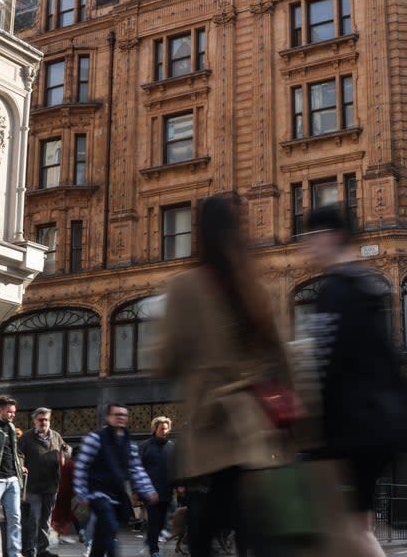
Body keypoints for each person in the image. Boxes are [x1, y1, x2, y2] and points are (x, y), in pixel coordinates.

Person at [156, 193, 293, 557]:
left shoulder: (186, 286)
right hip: (252, 422)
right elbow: (282, 354)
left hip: (214, 418)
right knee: (244, 514)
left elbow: (165, 359)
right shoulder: (256, 287)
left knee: (210, 520)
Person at [304, 204, 407, 557]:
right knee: (357, 525)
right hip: (378, 423)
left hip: (352, 428)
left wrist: (317, 434)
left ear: (330, 237)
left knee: (345, 527)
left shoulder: (335, 292)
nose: (307, 246)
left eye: (312, 237)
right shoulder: (366, 285)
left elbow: (328, 365)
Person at [73, 404, 158, 557]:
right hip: (97, 493)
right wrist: (81, 493)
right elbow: (81, 466)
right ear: (108, 417)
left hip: (116, 494)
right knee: (110, 527)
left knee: (101, 535)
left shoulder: (129, 444)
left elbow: (136, 469)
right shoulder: (94, 439)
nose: (121, 417)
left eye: (124, 415)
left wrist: (148, 490)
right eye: (117, 414)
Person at [18, 407, 70, 557]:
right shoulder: (26, 438)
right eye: (40, 420)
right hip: (32, 487)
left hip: (51, 485)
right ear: (35, 420)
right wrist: (21, 465)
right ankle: (28, 550)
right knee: (32, 519)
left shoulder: (56, 436)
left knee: (45, 520)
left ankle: (43, 550)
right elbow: (19, 454)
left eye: (46, 419)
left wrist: (64, 455)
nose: (43, 422)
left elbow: (66, 450)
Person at [0, 397, 26, 557]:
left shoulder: (12, 428)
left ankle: (15, 552)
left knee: (15, 517)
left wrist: (19, 467)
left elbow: (13, 452)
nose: (12, 415)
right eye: (9, 411)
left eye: (14, 412)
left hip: (13, 479)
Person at [138, 417, 177, 557]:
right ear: (155, 429)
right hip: (150, 491)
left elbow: (175, 468)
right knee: (154, 521)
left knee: (162, 522)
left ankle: (150, 540)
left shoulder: (171, 446)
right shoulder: (145, 446)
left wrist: (178, 486)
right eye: (162, 428)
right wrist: (137, 490)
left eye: (167, 429)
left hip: (167, 491)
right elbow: (137, 468)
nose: (165, 431)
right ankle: (154, 549)